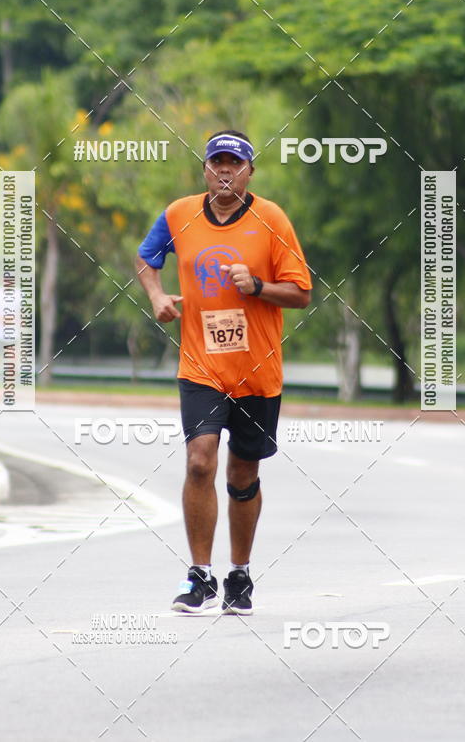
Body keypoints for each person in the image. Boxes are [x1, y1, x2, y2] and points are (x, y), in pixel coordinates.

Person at [135, 130, 312, 615]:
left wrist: (256, 286)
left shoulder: (271, 219)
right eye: (217, 163)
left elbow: (301, 292)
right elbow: (147, 257)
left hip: (257, 371)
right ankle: (199, 575)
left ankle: (239, 573)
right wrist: (156, 296)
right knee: (199, 460)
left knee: (241, 472)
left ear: (250, 171)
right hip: (201, 366)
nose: (225, 172)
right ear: (205, 170)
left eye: (234, 164)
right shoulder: (179, 213)